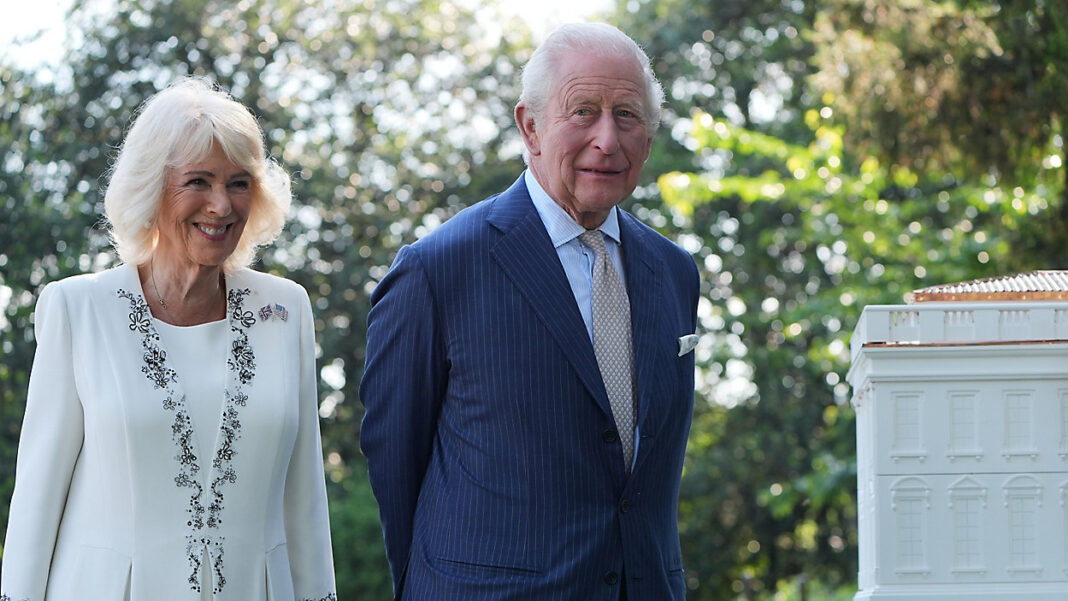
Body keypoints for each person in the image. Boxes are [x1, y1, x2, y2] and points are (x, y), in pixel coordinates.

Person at [359, 22, 700, 601]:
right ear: (530, 126)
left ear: (649, 135)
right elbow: (396, 466)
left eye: (627, 115)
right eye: (583, 111)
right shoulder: (437, 270)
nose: (607, 139)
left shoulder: (674, 272)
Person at [1, 79, 336, 601]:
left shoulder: (285, 309)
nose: (221, 205)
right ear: (152, 187)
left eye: (239, 182)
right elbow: (37, 502)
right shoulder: (77, 309)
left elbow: (305, 499)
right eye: (198, 181)